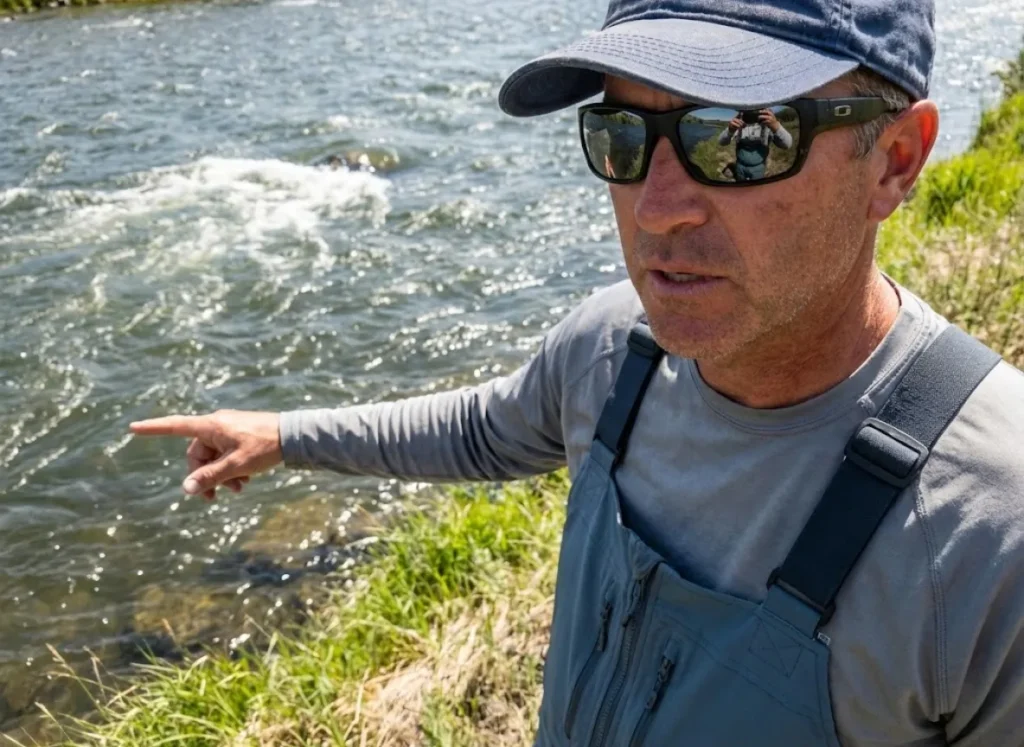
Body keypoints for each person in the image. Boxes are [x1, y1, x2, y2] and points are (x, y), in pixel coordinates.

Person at [130, 0, 1024, 744]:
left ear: (896, 161)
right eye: (625, 135)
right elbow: (486, 429)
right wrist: (283, 436)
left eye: (742, 141)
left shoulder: (992, 532)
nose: (658, 208)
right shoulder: (614, 350)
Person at [718, 107, 794, 181]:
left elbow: (787, 144)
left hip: (758, 168)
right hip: (740, 166)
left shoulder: (768, 124)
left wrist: (775, 126)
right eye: (747, 111)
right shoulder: (738, 123)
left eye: (755, 111)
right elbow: (721, 142)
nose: (751, 116)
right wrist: (730, 130)